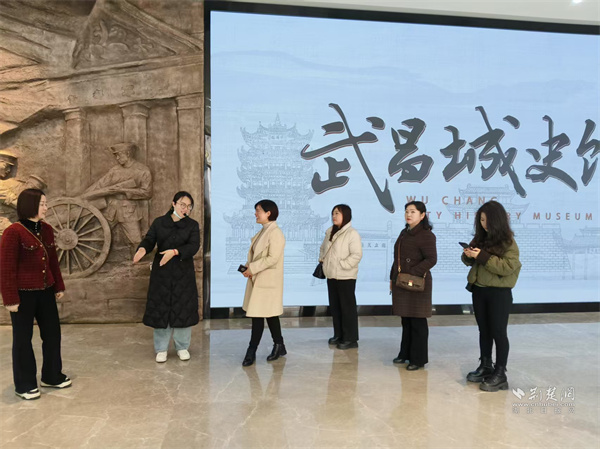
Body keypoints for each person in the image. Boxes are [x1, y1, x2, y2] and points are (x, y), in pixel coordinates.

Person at [0, 189, 71, 400]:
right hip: (23, 295)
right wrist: (10, 299)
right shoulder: (13, 232)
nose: (46, 208)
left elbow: (52, 261)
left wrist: (58, 286)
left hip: (46, 291)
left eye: (45, 203)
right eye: (42, 204)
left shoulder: (46, 229)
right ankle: (24, 385)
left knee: (52, 334)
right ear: (30, 205)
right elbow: (6, 268)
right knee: (23, 339)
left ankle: (52, 376)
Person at [133, 191, 200, 362]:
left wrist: (175, 251)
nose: (185, 209)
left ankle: (182, 347)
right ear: (174, 204)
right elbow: (150, 239)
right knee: (161, 308)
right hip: (162, 273)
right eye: (182, 205)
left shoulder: (192, 225)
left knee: (182, 308)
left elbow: (194, 246)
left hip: (183, 274)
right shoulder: (160, 222)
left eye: (189, 206)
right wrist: (142, 249)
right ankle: (161, 348)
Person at [462, 200, 521, 392]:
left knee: (498, 332)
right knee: (484, 331)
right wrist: (468, 255)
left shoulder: (508, 242)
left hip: (499, 293)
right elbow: (471, 262)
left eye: (486, 220)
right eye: (481, 220)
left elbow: (508, 267)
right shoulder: (480, 238)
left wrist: (482, 256)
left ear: (497, 220)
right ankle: (486, 365)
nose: (483, 224)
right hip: (479, 290)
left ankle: (500, 373)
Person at [390, 201, 437, 370]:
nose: (408, 215)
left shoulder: (426, 235)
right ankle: (405, 353)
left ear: (422, 215)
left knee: (417, 321)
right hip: (402, 281)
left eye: (413, 212)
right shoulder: (404, 232)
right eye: (406, 211)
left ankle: (418, 359)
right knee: (406, 319)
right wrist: (392, 279)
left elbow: (431, 259)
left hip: (417, 283)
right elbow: (397, 259)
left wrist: (412, 272)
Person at [83, 142, 152, 253]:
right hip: (111, 209)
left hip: (128, 210)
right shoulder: (115, 170)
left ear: (128, 153)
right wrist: (84, 196)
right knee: (97, 235)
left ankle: (137, 261)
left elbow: (147, 193)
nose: (117, 158)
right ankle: (90, 258)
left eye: (119, 155)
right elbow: (100, 185)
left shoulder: (142, 171)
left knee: (136, 240)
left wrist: (124, 190)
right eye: (116, 155)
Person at [241, 199, 286, 366]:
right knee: (269, 315)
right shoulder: (263, 231)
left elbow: (273, 258)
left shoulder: (275, 233)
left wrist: (252, 268)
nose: (255, 214)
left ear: (268, 213)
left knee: (259, 315)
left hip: (267, 281)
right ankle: (279, 345)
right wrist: (248, 267)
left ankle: (251, 351)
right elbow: (256, 256)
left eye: (258, 210)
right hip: (259, 279)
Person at [319, 204, 362, 349]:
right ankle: (338, 334)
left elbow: (356, 255)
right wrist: (323, 262)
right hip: (331, 275)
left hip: (346, 276)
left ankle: (350, 339)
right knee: (335, 307)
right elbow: (323, 249)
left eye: (337, 213)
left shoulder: (352, 233)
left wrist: (343, 265)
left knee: (347, 308)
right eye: (333, 213)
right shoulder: (330, 231)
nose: (334, 216)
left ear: (346, 215)